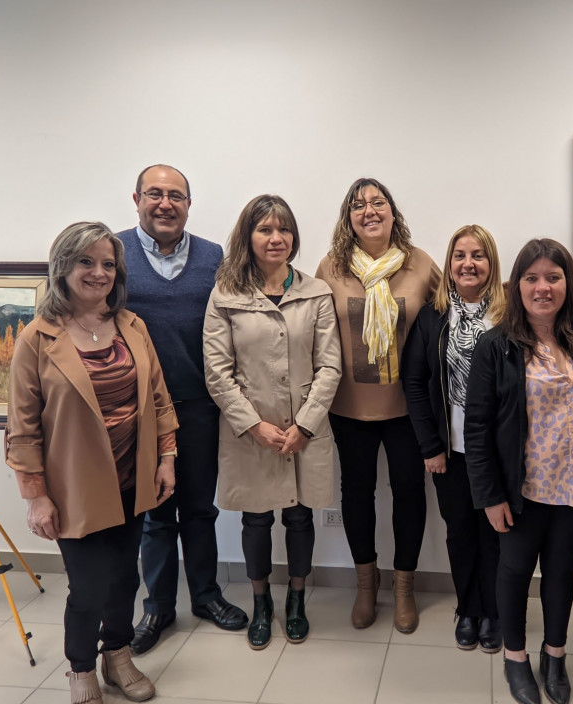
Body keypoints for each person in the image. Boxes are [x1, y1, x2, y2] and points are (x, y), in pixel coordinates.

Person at [5, 222, 178, 704]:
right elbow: (22, 429)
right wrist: (35, 495)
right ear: (63, 267)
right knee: (88, 587)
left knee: (126, 577)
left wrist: (166, 459)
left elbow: (160, 399)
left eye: (107, 264)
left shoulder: (131, 325)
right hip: (75, 488)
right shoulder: (37, 339)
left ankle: (117, 656)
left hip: (133, 477)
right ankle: (81, 668)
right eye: (86, 262)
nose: (99, 273)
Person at [119, 164, 247, 654]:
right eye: (155, 194)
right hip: (138, 409)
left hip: (199, 404)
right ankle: (158, 607)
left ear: (189, 204)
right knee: (154, 511)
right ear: (137, 200)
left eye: (176, 195)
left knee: (199, 508)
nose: (165, 203)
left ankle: (207, 596)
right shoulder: (116, 253)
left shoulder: (214, 256)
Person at [204, 194, 341, 649]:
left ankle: (296, 600)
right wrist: (253, 424)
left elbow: (330, 367)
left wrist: (304, 425)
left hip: (305, 430)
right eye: (265, 229)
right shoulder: (226, 294)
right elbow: (217, 372)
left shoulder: (315, 291)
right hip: (252, 433)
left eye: (283, 230)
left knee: (300, 518)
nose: (275, 238)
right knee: (257, 521)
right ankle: (262, 601)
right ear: (249, 236)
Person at [465, 238, 573, 704]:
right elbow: (476, 428)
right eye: (532, 277)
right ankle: (516, 659)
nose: (543, 287)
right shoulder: (495, 345)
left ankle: (554, 656)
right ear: (516, 284)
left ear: (568, 283)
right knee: (515, 572)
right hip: (521, 490)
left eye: (553, 277)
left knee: (562, 573)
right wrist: (490, 495)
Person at [315, 177, 440, 633]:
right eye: (358, 205)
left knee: (409, 495)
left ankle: (404, 587)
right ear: (348, 218)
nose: (369, 210)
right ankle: (366, 584)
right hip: (350, 408)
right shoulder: (332, 268)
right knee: (357, 495)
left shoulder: (421, 265)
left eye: (378, 202)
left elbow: (452, 318)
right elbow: (314, 331)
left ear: (392, 212)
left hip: (409, 409)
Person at [402, 224, 506, 652]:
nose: (468, 263)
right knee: (460, 532)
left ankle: (494, 612)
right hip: (451, 451)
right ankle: (468, 609)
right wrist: (430, 447)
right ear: (449, 264)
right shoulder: (432, 317)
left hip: (499, 454)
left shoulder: (508, 315)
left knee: (496, 534)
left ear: (491, 263)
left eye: (478, 255)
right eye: (459, 255)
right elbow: (413, 381)